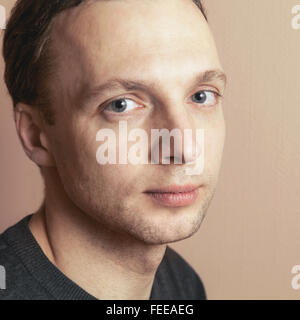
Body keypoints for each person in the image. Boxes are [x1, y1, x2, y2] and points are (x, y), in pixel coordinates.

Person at [0, 0, 227, 300]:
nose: (184, 149)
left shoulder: (181, 284)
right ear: (35, 134)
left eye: (200, 96)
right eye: (121, 105)